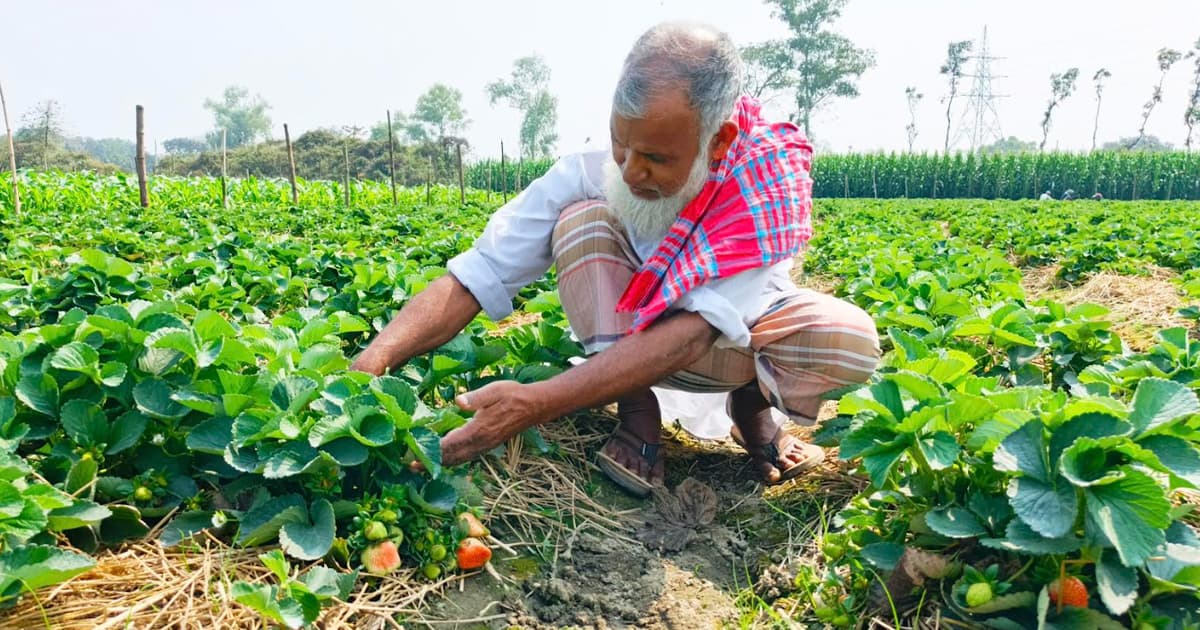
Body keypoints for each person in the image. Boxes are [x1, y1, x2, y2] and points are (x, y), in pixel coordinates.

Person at [349, 22, 880, 496]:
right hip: (625, 345)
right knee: (582, 219)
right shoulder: (590, 168)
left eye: (655, 157)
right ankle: (636, 406)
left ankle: (751, 405)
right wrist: (368, 366)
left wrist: (535, 402)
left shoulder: (759, 188)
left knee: (847, 341)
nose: (629, 170)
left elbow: (696, 333)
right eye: (621, 144)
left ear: (718, 142)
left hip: (720, 350)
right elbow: (477, 273)